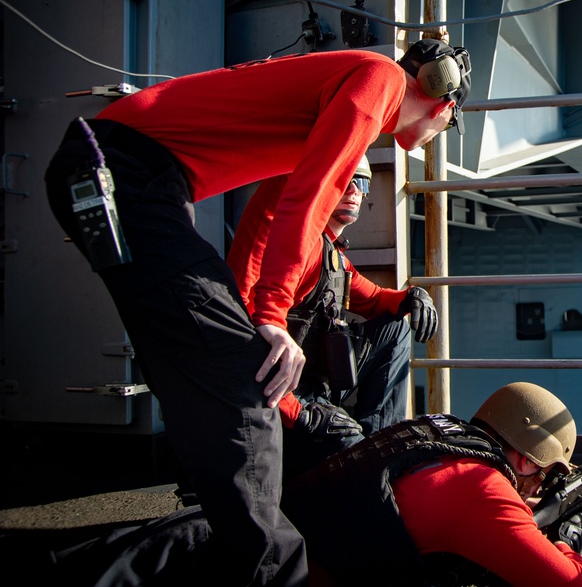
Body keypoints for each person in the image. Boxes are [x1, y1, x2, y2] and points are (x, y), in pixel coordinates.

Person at [43, 39, 472, 586]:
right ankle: (278, 576)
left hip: (127, 177)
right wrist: (270, 315)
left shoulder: (352, 92)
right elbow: (310, 198)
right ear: (443, 102)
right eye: (449, 124)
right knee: (244, 387)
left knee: (203, 384)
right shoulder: (380, 80)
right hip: (125, 173)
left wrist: (393, 301)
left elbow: (274, 211)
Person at [227, 154, 439, 480]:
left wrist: (411, 298)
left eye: (363, 183)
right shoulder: (294, 243)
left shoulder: (330, 251)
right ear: (324, 185)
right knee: (352, 455)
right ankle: (366, 459)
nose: (355, 190)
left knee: (395, 327)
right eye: (346, 180)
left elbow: (373, 298)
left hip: (314, 388)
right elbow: (242, 333)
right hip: (282, 401)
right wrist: (299, 413)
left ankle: (376, 441)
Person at [282, 382, 582, 586]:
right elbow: (576, 584)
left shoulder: (438, 431)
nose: (535, 489)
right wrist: (563, 542)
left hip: (283, 551)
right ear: (527, 460)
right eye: (542, 476)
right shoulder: (483, 489)